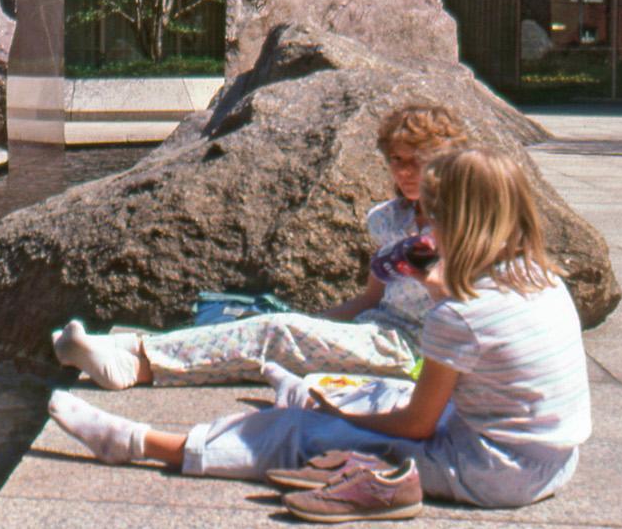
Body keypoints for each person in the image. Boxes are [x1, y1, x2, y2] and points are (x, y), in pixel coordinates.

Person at [46, 149, 590, 516]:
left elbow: (418, 425)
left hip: (492, 471)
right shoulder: (541, 279)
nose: (423, 228)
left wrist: (341, 419)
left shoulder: (460, 314)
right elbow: (472, 345)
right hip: (553, 462)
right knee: (386, 391)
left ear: (459, 222)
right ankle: (296, 391)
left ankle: (141, 444)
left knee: (295, 434)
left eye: (432, 217)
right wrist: (427, 282)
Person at [51, 104, 465, 390]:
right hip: (374, 330)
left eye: (416, 160)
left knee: (270, 335)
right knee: (271, 328)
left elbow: (463, 302)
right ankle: (124, 348)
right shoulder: (389, 218)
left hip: (415, 350)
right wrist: (314, 322)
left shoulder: (465, 219)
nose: (404, 171)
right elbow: (370, 300)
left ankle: (137, 365)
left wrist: (423, 264)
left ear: (444, 159)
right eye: (396, 160)